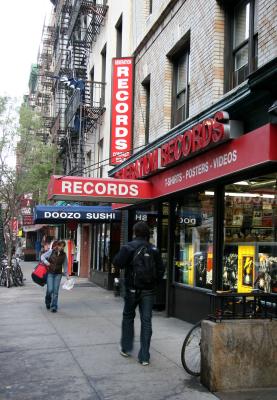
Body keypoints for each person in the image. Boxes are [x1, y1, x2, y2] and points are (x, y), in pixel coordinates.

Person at [112, 221, 165, 366]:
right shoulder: (153, 249)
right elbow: (161, 270)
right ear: (147, 233)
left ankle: (126, 348)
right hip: (148, 290)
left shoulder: (128, 246)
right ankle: (144, 356)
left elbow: (117, 262)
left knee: (128, 316)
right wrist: (154, 283)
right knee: (146, 321)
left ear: (135, 232)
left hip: (131, 289)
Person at [41, 240, 69, 313]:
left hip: (58, 274)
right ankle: (47, 300)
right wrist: (47, 263)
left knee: (55, 291)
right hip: (50, 273)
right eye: (60, 245)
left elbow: (65, 265)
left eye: (63, 246)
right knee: (50, 290)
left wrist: (67, 275)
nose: (61, 247)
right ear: (57, 245)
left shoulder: (64, 255)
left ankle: (54, 306)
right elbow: (42, 256)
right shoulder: (52, 252)